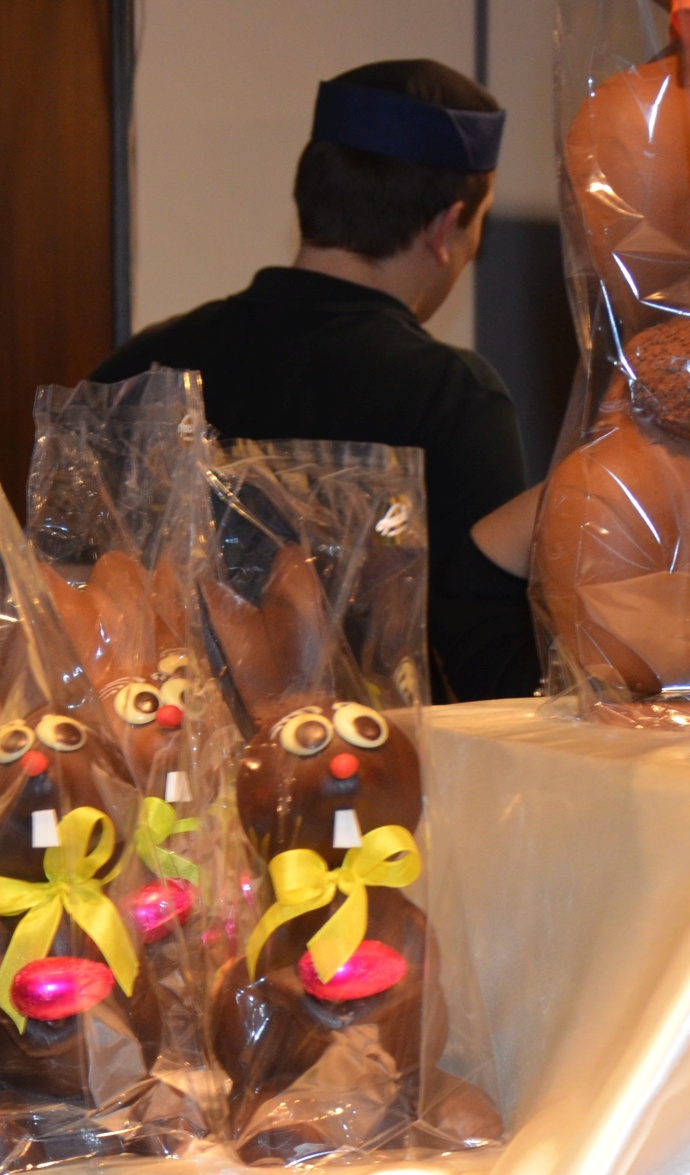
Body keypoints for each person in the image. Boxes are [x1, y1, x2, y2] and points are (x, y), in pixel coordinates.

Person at [92, 59, 537, 702]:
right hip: (364, 760)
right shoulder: (453, 398)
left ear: (311, 195)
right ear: (448, 228)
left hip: (158, 749)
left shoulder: (142, 368)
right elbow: (486, 668)